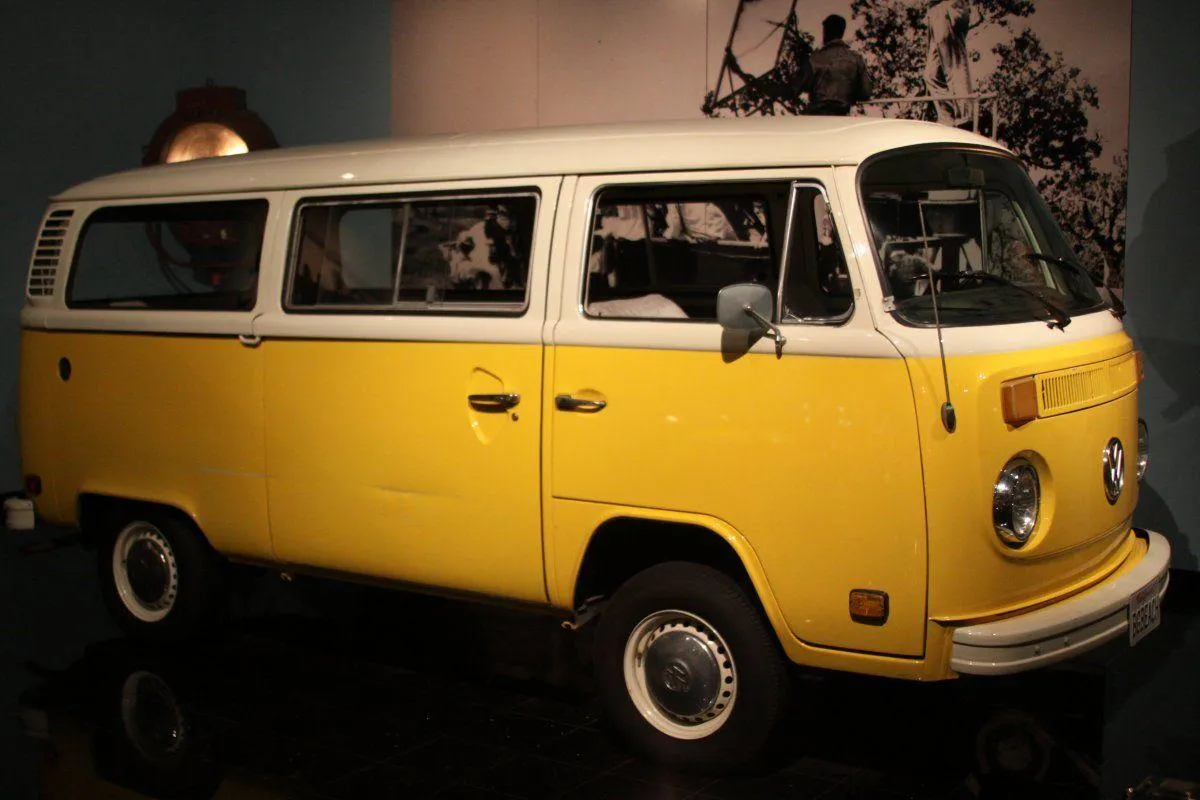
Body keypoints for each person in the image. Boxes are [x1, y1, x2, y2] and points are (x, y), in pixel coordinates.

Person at [797, 14, 873, 116]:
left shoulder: (814, 59)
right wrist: (848, 93)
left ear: (826, 32)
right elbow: (866, 93)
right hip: (841, 118)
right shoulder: (856, 59)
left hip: (815, 118)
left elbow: (794, 89)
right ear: (842, 32)